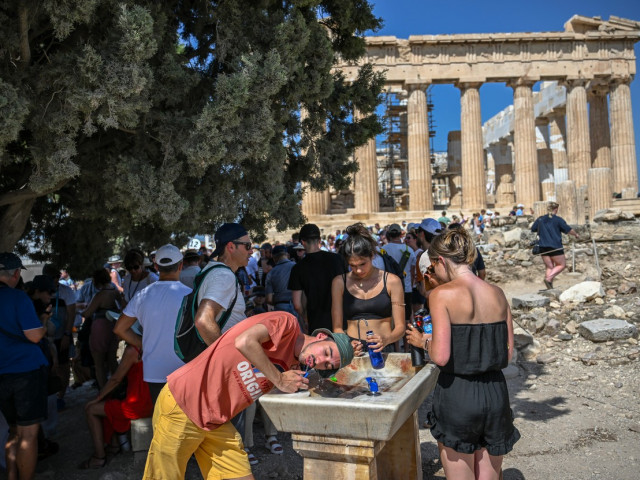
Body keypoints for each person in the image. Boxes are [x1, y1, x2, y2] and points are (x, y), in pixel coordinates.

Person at [142, 311, 355, 480]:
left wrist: (342, 387)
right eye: (326, 352)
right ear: (321, 336)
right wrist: (279, 380)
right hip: (185, 403)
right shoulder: (287, 323)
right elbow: (244, 342)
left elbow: (262, 382)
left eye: (327, 365)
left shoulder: (293, 365)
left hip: (216, 420)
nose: (320, 361)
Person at [405, 229, 520, 480]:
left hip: (458, 394)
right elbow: (508, 353)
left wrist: (423, 342)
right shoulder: (497, 293)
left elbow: (441, 356)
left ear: (440, 261)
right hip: (496, 392)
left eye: (433, 268)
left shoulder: (441, 295)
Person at [114, 244, 192, 403]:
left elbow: (119, 328)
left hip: (154, 371)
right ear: (181, 265)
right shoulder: (190, 295)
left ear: (156, 266)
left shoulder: (142, 296)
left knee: (162, 421)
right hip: (185, 370)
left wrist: (141, 343)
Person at [0, 253, 48, 480]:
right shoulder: (18, 298)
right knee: (28, 434)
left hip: (1, 374)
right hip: (25, 371)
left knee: (12, 430)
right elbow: (35, 336)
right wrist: (45, 325)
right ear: (17, 274)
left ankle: (11, 476)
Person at [331, 223, 405, 353]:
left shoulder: (392, 281)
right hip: (354, 350)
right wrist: (348, 344)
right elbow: (337, 327)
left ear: (372, 255)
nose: (358, 270)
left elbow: (400, 327)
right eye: (352, 265)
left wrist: (386, 339)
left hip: (384, 349)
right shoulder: (339, 282)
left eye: (362, 264)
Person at [80, 340, 152, 469]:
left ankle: (99, 457)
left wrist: (98, 397)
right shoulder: (153, 342)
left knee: (91, 409)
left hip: (138, 405)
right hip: (153, 400)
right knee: (110, 403)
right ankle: (114, 445)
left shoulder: (133, 350)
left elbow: (116, 379)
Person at [193, 223, 250, 346]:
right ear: (231, 246)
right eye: (247, 246)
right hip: (230, 359)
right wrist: (224, 356)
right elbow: (203, 320)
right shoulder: (224, 276)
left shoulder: (214, 270)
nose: (251, 251)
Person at [288, 224, 346, 334]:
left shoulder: (297, 268)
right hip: (341, 320)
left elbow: (297, 304)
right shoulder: (337, 259)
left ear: (302, 242)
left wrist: (305, 318)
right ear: (319, 240)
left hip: (316, 323)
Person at [81, 268, 123, 389]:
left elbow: (87, 313)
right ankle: (118, 388)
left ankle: (104, 390)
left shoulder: (100, 294)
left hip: (100, 327)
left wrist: (80, 311)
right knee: (112, 360)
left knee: (99, 363)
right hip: (113, 326)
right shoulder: (115, 291)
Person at [531, 201, 579, 290]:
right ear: (556, 209)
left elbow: (533, 229)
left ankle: (549, 288)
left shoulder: (540, 219)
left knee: (549, 267)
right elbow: (568, 230)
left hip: (542, 246)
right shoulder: (558, 220)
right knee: (561, 265)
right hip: (555, 246)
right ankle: (548, 279)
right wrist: (576, 234)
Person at [382, 224, 416, 328]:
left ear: (389, 235)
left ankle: (396, 345)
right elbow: (412, 272)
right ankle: (407, 344)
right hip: (406, 288)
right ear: (401, 234)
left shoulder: (383, 249)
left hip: (389, 288)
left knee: (393, 320)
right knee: (406, 320)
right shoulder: (409, 250)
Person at [265, 245, 299, 325]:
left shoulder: (271, 273)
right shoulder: (297, 267)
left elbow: (269, 299)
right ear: (286, 255)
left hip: (280, 307)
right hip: (296, 305)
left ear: (274, 257)